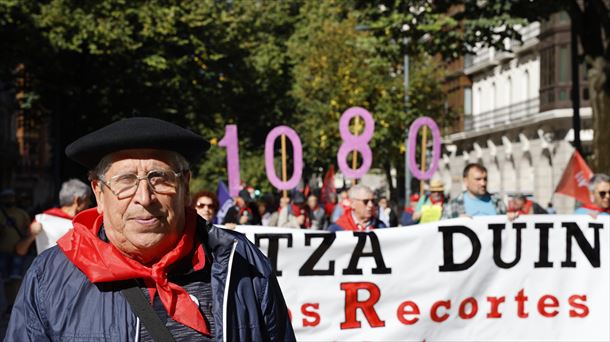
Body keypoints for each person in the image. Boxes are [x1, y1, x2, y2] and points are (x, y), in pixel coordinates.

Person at [6, 117, 295, 341]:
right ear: (98, 193)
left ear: (185, 186)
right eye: (126, 180)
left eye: (159, 178)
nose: (144, 198)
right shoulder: (49, 278)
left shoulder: (241, 262)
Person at [14, 179, 91, 256]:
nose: (90, 203)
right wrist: (32, 235)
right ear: (77, 201)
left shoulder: (85, 221)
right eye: (87, 199)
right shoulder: (45, 219)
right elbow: (20, 250)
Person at [444, 163, 515, 219]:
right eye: (478, 179)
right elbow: (440, 232)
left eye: (485, 179)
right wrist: (455, 223)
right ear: (466, 181)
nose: (483, 183)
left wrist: (511, 218)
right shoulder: (453, 205)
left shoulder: (497, 201)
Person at [0, 189, 31, 318]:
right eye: (6, 198)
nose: (9, 200)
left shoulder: (22, 214)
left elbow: (29, 230)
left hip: (18, 251)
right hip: (3, 250)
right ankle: (9, 305)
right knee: (7, 280)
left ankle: (15, 305)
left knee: (16, 278)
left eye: (11, 197)